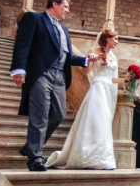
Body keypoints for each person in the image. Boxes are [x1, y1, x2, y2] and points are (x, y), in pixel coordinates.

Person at [10, 0, 97, 172]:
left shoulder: (64, 30)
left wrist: (86, 60)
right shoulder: (34, 18)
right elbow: (23, 43)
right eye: (65, 7)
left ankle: (30, 146)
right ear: (54, 4)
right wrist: (19, 68)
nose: (67, 11)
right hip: (41, 73)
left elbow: (66, 56)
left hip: (60, 77)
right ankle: (35, 157)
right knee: (40, 114)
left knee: (58, 114)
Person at [45, 29, 124, 170]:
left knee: (105, 122)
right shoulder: (93, 51)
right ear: (107, 39)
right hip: (97, 90)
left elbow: (111, 79)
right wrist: (92, 60)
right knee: (95, 122)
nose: (117, 41)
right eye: (115, 38)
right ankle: (86, 156)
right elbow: (85, 72)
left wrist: (125, 79)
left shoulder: (113, 57)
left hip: (107, 91)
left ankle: (103, 159)